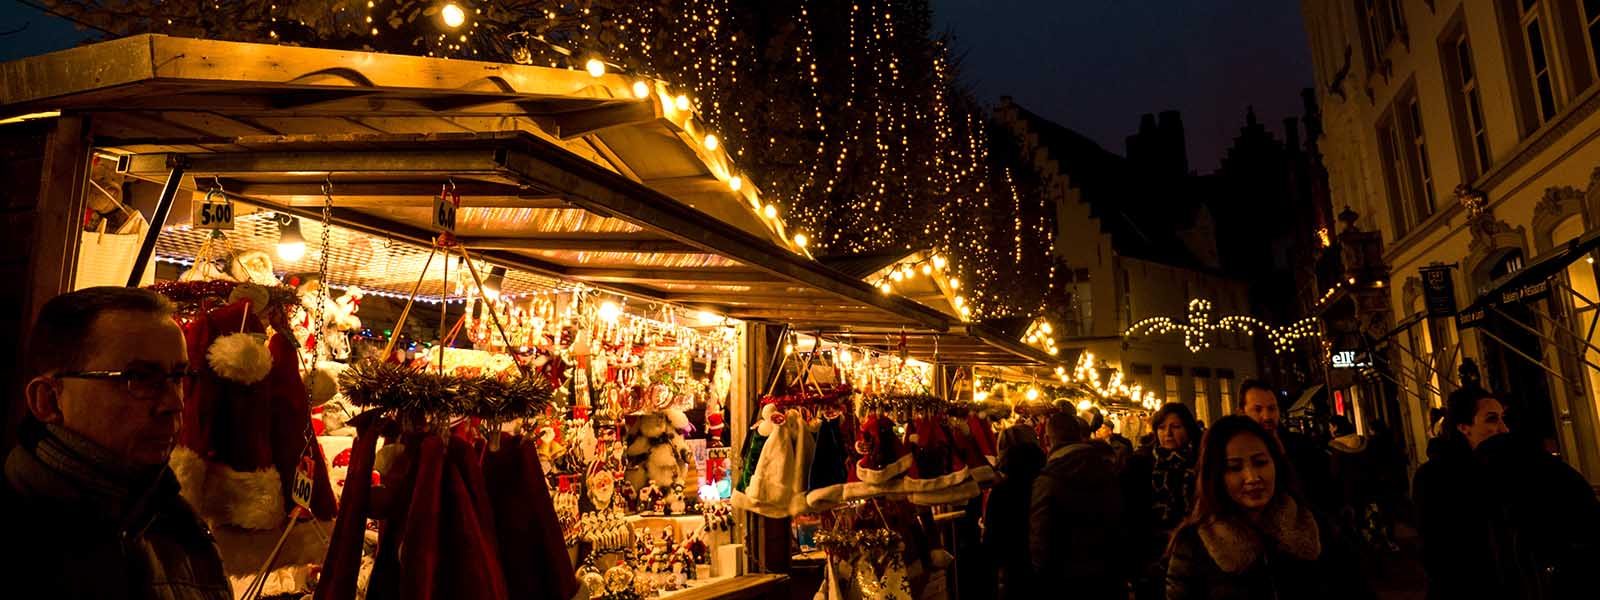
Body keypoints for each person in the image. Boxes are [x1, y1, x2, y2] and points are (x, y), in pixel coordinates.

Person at [0, 287, 230, 599]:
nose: (173, 404)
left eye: (178, 377)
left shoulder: (182, 524)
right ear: (49, 400)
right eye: (137, 378)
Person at [1414, 383, 1600, 600]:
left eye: (1503, 419)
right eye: (1492, 419)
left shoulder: (1516, 464)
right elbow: (1438, 552)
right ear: (1464, 427)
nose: (1503, 428)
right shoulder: (1435, 476)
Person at [1165, 416, 1371, 600]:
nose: (1252, 477)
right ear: (1216, 475)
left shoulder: (1315, 526)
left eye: (1261, 462)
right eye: (1234, 467)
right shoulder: (1194, 544)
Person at [1030, 411, 1126, 599]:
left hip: (1065, 580)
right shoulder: (1108, 468)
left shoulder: (1049, 479)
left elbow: (1040, 539)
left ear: (1048, 440)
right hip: (1108, 576)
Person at [1122, 402, 1200, 600]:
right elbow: (1129, 511)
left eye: (1176, 427)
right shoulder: (1139, 463)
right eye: (1162, 427)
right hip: (1150, 553)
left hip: (1193, 549)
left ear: (1188, 429)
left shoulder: (1201, 462)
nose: (1168, 433)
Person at [1236, 379, 1334, 515]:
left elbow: (1326, 491)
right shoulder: (1233, 455)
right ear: (1241, 412)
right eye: (1257, 409)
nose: (1267, 416)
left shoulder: (1304, 447)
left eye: (1271, 408)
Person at [983, 425, 1045, 600]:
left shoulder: (1003, 489)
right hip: (1048, 566)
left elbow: (993, 540)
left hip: (1016, 568)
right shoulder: (1047, 480)